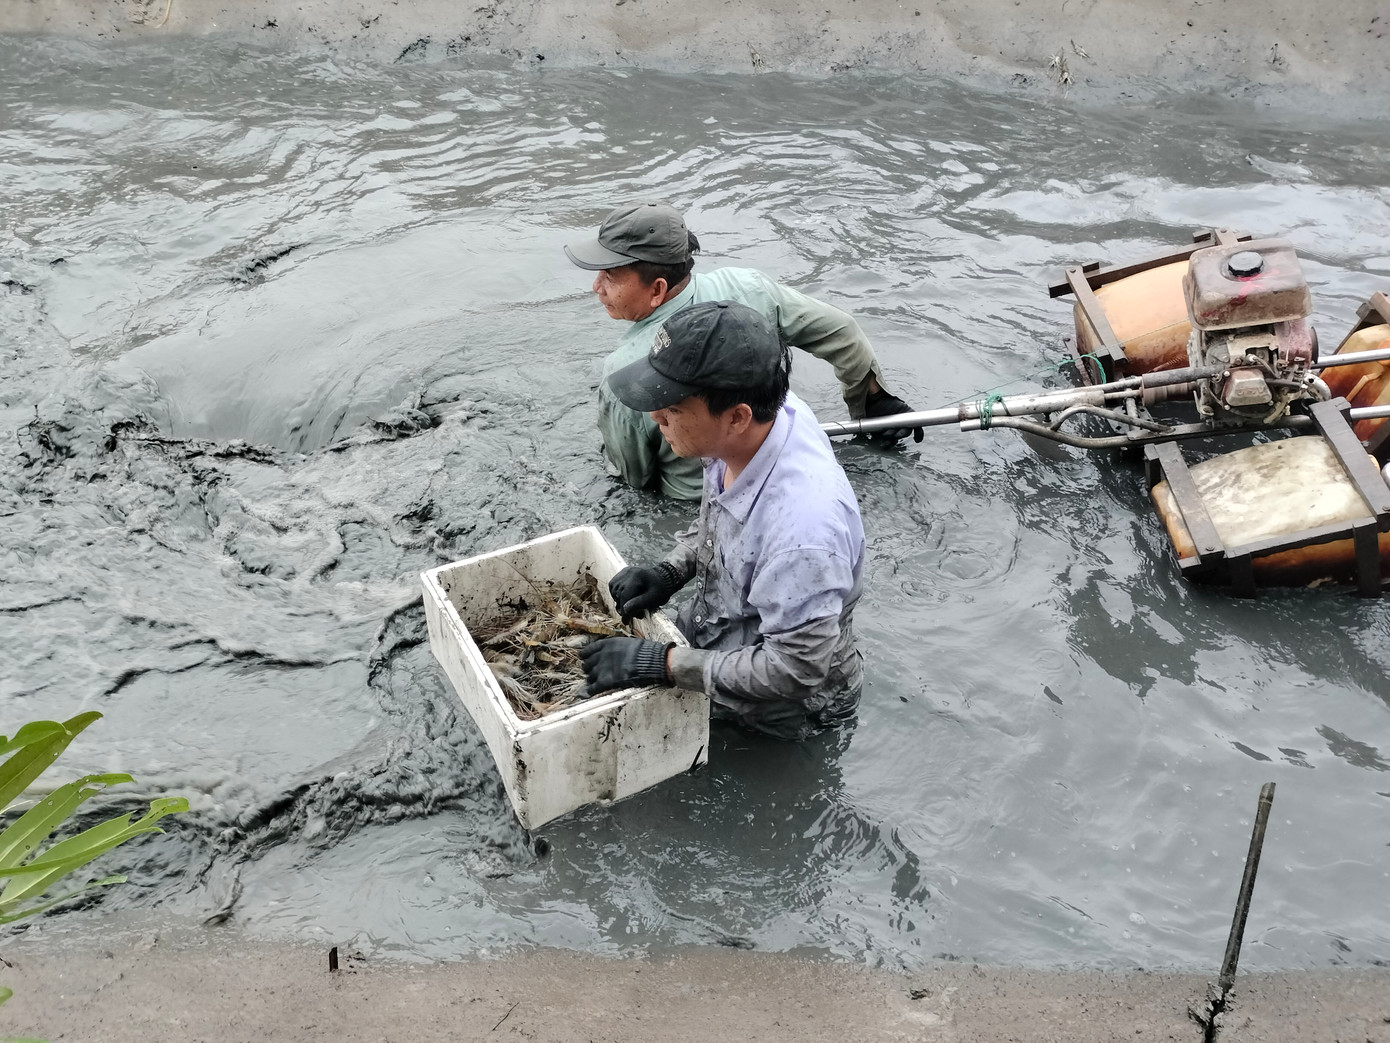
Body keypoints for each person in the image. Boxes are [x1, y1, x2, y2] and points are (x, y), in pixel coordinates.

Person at [578, 300, 866, 740]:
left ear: (736, 417)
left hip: (786, 708)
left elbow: (796, 669)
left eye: (672, 407)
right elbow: (723, 517)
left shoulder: (803, 534)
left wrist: (666, 664)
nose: (656, 418)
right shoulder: (760, 425)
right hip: (726, 635)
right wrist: (670, 570)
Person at [565, 200, 922, 500]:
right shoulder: (747, 286)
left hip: (698, 505)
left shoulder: (623, 373)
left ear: (657, 289)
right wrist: (871, 401)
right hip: (784, 468)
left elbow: (636, 482)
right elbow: (843, 332)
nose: (596, 287)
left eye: (610, 276)